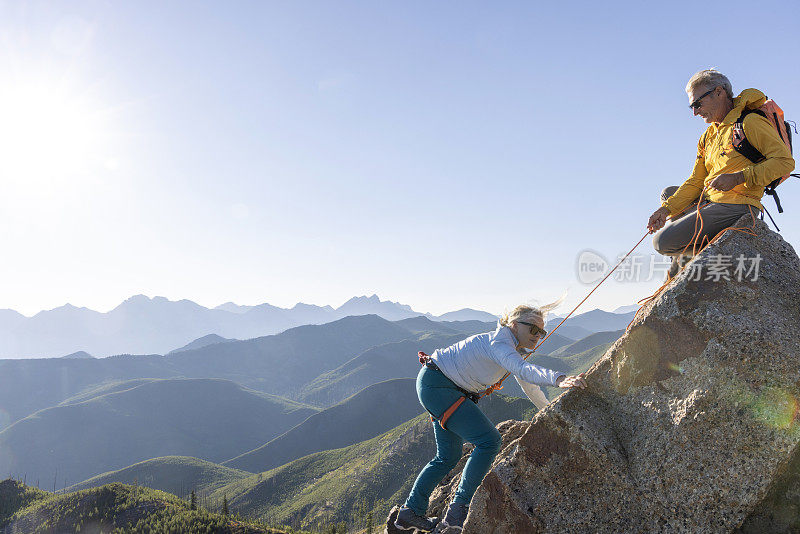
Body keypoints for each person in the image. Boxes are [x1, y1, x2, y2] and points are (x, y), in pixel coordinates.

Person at [394, 304, 586, 533]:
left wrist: (549, 412)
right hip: (440, 387)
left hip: (435, 384)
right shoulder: (500, 343)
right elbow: (524, 370)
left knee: (448, 456)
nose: (538, 336)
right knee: (489, 441)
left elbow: (529, 385)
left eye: (541, 332)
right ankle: (458, 511)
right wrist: (559, 378)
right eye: (533, 329)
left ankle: (409, 513)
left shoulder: (509, 347)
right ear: (514, 325)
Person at [647, 69, 795, 278]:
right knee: (669, 193)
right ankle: (687, 255)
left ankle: (689, 260)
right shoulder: (708, 136)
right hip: (712, 201)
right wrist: (665, 210)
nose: (695, 112)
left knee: (661, 243)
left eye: (697, 104)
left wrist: (738, 177)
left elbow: (784, 163)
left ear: (719, 92)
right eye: (692, 106)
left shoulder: (749, 122)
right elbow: (696, 180)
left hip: (737, 205)